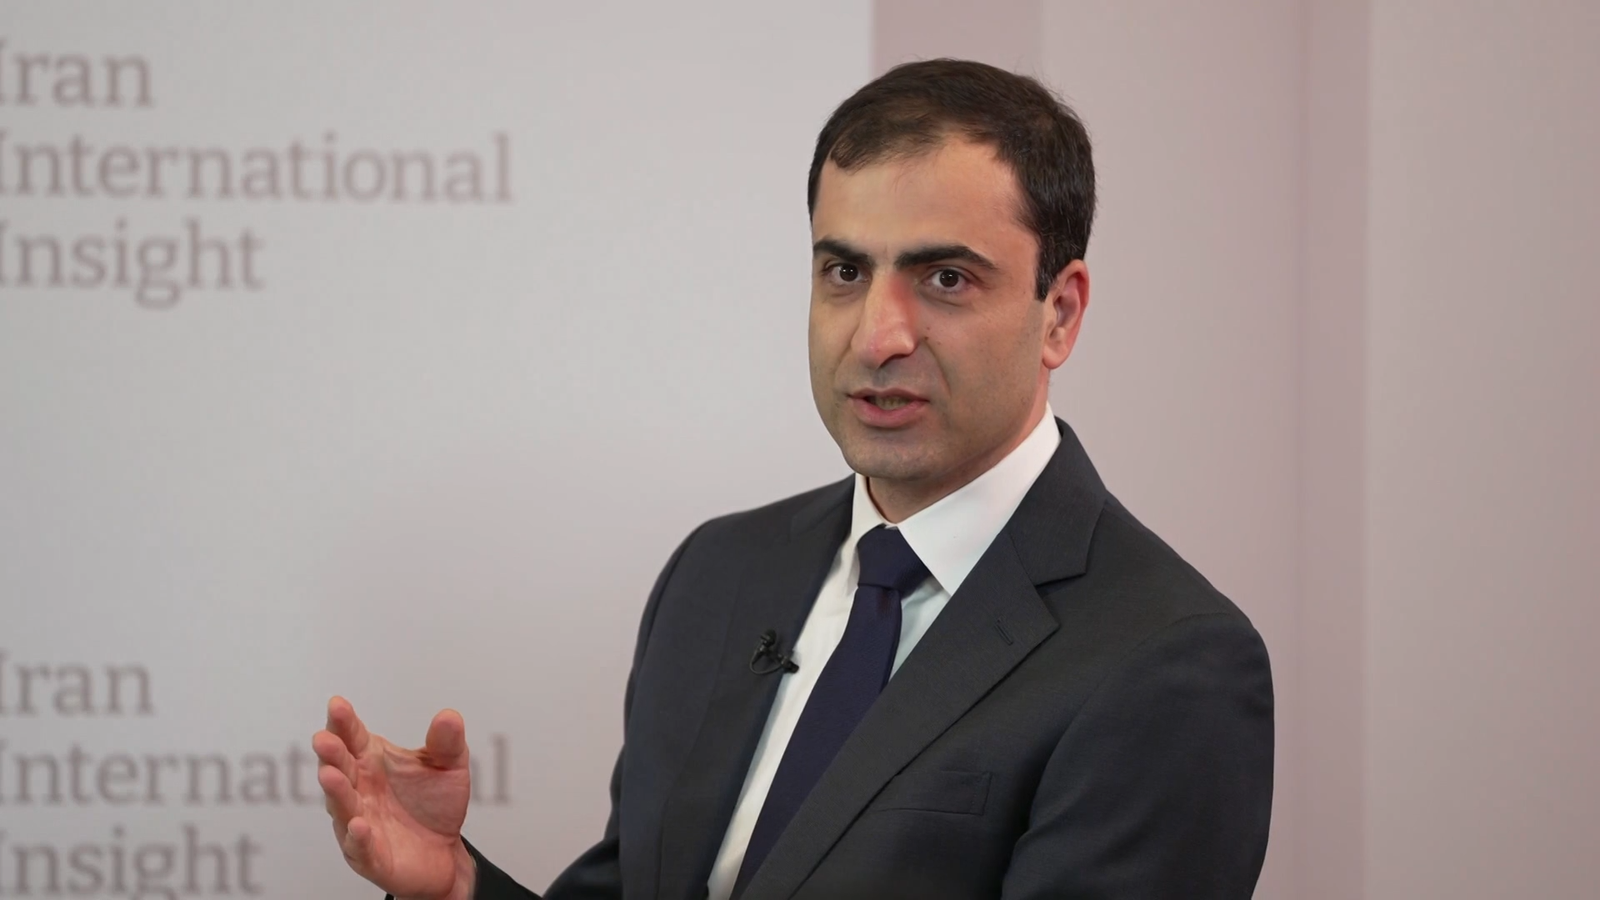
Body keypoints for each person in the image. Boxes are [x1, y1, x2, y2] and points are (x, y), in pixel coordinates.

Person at [313, 58, 1274, 900]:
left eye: (945, 279)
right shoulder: (717, 574)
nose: (877, 335)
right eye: (844, 273)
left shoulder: (1168, 663)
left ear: (1059, 312)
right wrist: (458, 886)